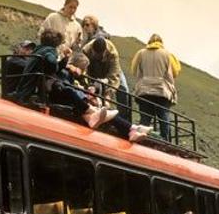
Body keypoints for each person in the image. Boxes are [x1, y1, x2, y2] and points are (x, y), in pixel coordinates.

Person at [14, 29, 152, 142]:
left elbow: (53, 70)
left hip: (72, 100)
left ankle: (132, 128)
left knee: (100, 113)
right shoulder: (51, 54)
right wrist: (62, 60)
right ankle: (130, 128)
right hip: (65, 98)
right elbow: (54, 68)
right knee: (78, 97)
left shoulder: (40, 53)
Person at [131, 33, 182, 141]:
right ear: (161, 42)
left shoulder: (140, 53)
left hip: (144, 90)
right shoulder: (168, 54)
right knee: (163, 116)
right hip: (162, 90)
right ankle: (166, 139)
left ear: (149, 42)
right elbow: (176, 71)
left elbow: (133, 70)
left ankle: (141, 137)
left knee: (145, 117)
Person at [79, 36, 122, 105]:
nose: (97, 56)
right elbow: (83, 71)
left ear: (104, 51)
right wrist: (89, 86)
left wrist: (108, 96)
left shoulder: (113, 53)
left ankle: (123, 114)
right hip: (92, 67)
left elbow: (114, 77)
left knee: (123, 89)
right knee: (91, 91)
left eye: (99, 55)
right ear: (92, 49)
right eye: (95, 54)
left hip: (109, 70)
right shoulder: (86, 50)